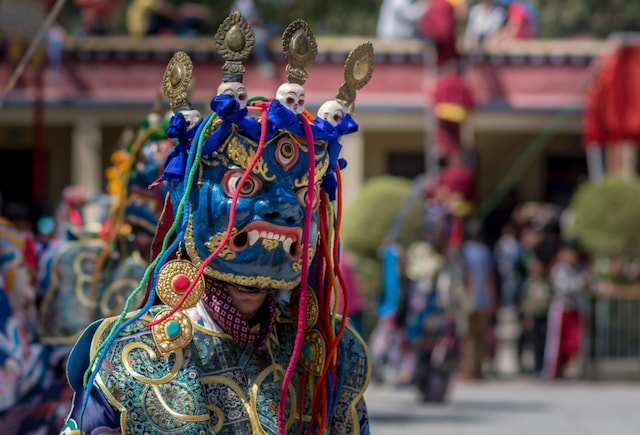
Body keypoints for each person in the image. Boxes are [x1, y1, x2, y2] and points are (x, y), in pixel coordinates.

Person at [59, 13, 372, 435]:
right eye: (243, 187)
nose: (278, 213)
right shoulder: (135, 354)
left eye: (299, 197)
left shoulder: (328, 357)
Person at [543, 243, 589, 379]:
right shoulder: (559, 269)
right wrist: (581, 283)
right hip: (561, 309)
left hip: (576, 310)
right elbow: (564, 288)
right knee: (556, 344)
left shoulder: (581, 269)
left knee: (574, 343)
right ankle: (552, 371)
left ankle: (565, 367)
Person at [459, 224, 496, 379]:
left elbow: (465, 277)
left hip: (468, 299)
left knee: (468, 337)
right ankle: (479, 369)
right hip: (484, 299)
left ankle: (469, 370)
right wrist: (492, 298)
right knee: (480, 335)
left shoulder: (463, 251)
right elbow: (489, 277)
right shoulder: (484, 251)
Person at [518, 254, 550, 374]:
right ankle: (526, 366)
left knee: (541, 342)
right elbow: (524, 300)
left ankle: (540, 366)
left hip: (543, 314)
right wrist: (526, 316)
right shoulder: (528, 282)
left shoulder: (546, 281)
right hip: (531, 315)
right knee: (529, 342)